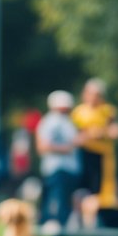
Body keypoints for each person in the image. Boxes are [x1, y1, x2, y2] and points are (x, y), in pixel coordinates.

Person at [71, 78, 118, 208]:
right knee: (84, 188)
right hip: (84, 154)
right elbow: (75, 137)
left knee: (103, 189)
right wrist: (89, 135)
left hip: (103, 156)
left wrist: (101, 133)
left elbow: (116, 131)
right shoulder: (78, 112)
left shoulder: (108, 111)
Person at [35, 90, 82, 228]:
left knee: (65, 204)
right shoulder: (51, 121)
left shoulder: (67, 121)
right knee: (57, 206)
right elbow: (42, 146)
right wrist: (67, 147)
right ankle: (56, 233)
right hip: (57, 169)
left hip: (67, 170)